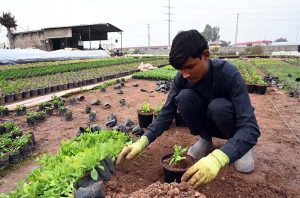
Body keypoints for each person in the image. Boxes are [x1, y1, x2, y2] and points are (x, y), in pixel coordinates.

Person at [116, 29, 260, 188]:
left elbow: (250, 127)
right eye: (180, 69)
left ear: (205, 56)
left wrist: (219, 158)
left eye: (190, 67)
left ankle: (241, 147)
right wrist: (142, 141)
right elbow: (166, 114)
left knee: (218, 107)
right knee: (184, 98)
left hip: (229, 123)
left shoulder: (229, 74)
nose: (185, 74)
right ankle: (206, 139)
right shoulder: (181, 79)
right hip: (209, 123)